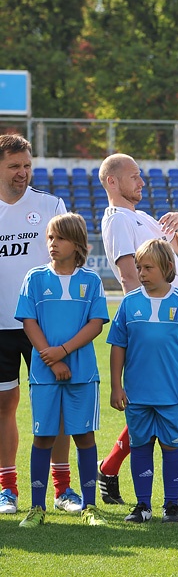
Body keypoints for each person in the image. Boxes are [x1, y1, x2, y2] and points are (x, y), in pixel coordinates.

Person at [95, 153, 178, 509]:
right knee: (164, 401)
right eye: (135, 176)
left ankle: (114, 466)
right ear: (113, 182)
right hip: (162, 322)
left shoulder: (142, 217)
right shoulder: (118, 220)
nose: (142, 182)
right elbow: (129, 275)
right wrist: (149, 321)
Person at [0, 134, 79, 516]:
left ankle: (63, 488)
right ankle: (7, 488)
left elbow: (70, 258)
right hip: (0, 326)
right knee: (4, 403)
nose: (22, 172)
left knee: (56, 404)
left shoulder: (50, 205)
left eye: (27, 165)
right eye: (14, 166)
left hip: (45, 326)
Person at [15, 213, 109, 527]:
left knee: (83, 435)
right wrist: (53, 361)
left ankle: (90, 507)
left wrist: (65, 352)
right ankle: (37, 508)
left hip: (82, 373)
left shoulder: (91, 280)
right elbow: (29, 322)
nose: (53, 245)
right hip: (44, 374)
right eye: (50, 238)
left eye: (60, 238)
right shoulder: (35, 278)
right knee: (42, 436)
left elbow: (96, 324)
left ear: (77, 243)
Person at [107, 239, 178, 523]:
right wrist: (116, 385)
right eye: (139, 267)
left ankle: (172, 504)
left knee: (172, 446)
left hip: (172, 395)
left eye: (148, 267)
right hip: (137, 394)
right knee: (140, 446)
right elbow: (117, 347)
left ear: (167, 267)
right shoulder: (129, 303)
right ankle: (142, 505)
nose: (142, 272)